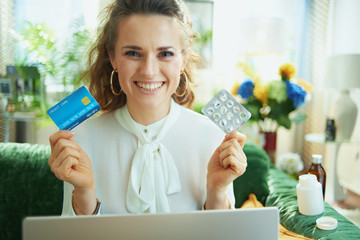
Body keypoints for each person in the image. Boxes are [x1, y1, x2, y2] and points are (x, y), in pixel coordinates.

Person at [48, 0, 247, 215]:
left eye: (165, 54)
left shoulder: (213, 136)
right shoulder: (82, 139)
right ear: (113, 57)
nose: (149, 71)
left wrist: (217, 190)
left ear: (183, 59)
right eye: (133, 53)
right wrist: (84, 191)